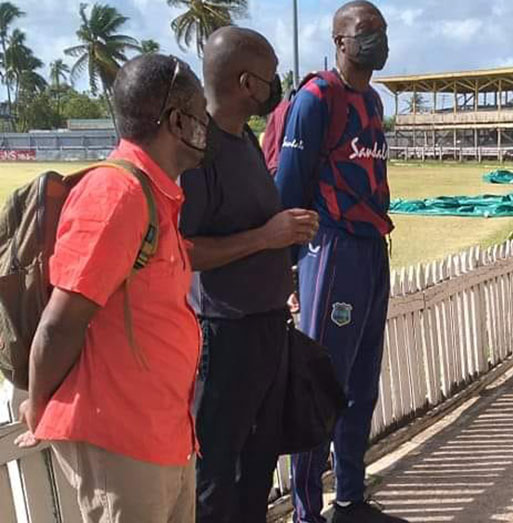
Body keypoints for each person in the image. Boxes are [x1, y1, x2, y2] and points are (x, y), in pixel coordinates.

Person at [14, 54, 207, 522]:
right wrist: (38, 405)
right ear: (177, 121)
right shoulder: (116, 195)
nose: (208, 125)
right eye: (202, 113)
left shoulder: (154, 194)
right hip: (121, 442)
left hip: (162, 436)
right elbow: (60, 323)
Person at [178, 27, 319, 523]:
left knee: (258, 468)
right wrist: (267, 237)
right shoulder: (199, 154)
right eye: (271, 75)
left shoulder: (245, 143)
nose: (278, 83)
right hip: (225, 335)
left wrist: (284, 238)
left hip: (266, 329)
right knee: (219, 476)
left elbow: (260, 226)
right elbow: (185, 251)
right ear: (246, 83)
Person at [274, 2, 406, 523]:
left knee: (361, 382)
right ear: (340, 41)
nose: (377, 38)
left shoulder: (372, 100)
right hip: (330, 249)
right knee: (319, 381)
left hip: (372, 248)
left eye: (382, 30)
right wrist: (288, 269)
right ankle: (307, 511)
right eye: (365, 31)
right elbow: (289, 188)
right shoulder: (315, 98)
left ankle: (350, 499)